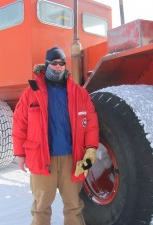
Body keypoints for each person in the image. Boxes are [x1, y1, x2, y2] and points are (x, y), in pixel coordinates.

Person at [12, 47, 99, 225]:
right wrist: (20, 155)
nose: (58, 67)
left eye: (61, 63)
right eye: (54, 63)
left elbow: (91, 124)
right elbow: (19, 124)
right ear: (46, 64)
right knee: (41, 206)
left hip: (72, 159)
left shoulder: (80, 93)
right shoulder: (32, 92)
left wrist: (90, 151)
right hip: (42, 158)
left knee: (74, 206)